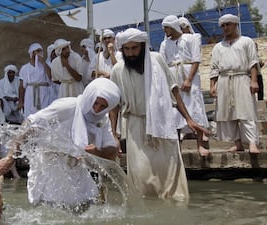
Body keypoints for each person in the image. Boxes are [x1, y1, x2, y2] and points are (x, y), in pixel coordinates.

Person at [109, 28, 208, 201]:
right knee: (141, 173)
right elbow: (114, 104)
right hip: (135, 126)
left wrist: (189, 119)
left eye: (134, 48)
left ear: (142, 46)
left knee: (169, 171)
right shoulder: (118, 70)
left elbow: (173, 90)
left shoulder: (157, 60)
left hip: (162, 123)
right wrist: (114, 134)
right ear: (122, 50)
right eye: (127, 49)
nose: (131, 53)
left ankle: (174, 210)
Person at [21, 78, 120, 209]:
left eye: (103, 106)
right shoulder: (67, 106)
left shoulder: (102, 119)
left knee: (88, 204)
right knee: (51, 209)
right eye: (95, 103)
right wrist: (10, 157)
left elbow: (112, 153)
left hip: (76, 167)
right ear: (90, 97)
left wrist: (98, 152)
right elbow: (30, 123)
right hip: (51, 166)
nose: (96, 109)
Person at [209, 14, 260, 154]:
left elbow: (253, 62)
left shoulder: (246, 41)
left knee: (246, 111)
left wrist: (254, 81)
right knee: (227, 114)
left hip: (242, 78)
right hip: (224, 81)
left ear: (235, 24)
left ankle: (252, 143)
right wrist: (212, 86)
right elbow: (214, 68)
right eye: (223, 26)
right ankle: (237, 143)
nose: (225, 28)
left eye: (228, 24)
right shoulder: (218, 47)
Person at [159, 15, 209, 156]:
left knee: (194, 107)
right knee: (175, 111)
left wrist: (189, 79)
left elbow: (196, 60)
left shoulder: (190, 39)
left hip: (188, 74)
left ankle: (200, 145)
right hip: (172, 75)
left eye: (167, 27)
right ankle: (177, 150)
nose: (165, 31)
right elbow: (162, 63)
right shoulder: (164, 44)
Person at [18, 43, 51, 120]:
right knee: (30, 115)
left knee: (44, 114)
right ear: (32, 53)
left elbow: (51, 77)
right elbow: (21, 86)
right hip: (30, 94)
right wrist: (20, 101)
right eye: (37, 51)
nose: (40, 53)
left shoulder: (45, 66)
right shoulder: (25, 68)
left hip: (44, 93)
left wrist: (43, 63)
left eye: (41, 51)